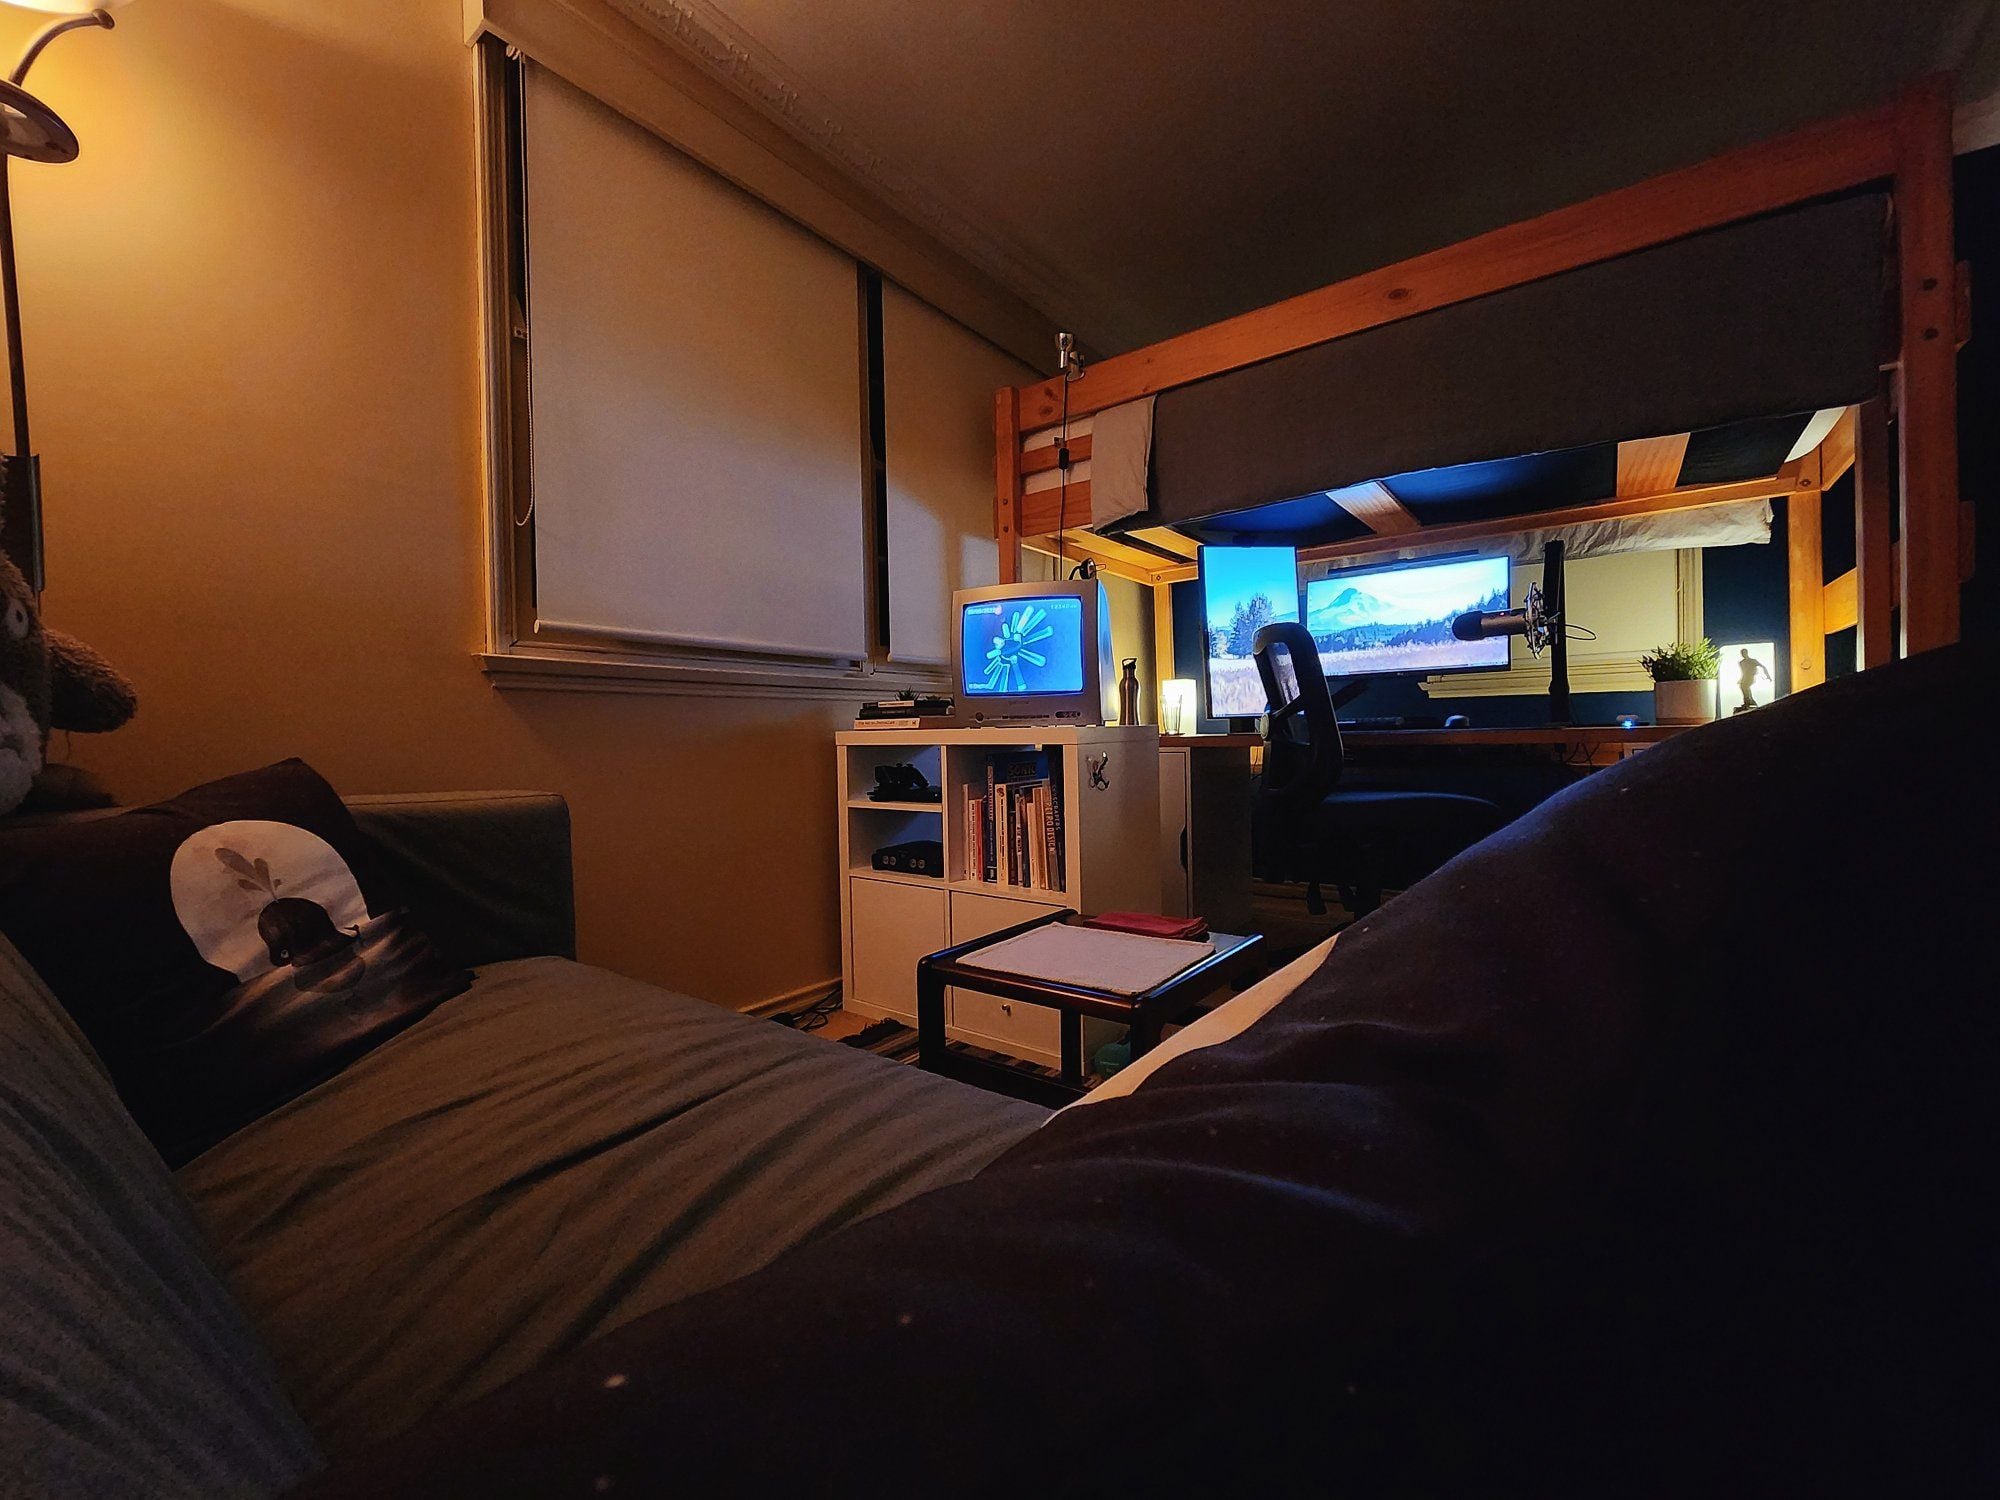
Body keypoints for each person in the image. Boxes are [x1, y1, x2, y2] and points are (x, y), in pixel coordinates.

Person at [1735, 647, 1771, 712]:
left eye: (1744, 653)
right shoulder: (1741, 662)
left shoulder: (1753, 661)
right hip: (1745, 678)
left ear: (1746, 653)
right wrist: (1740, 679)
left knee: (1745, 687)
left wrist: (1768, 676)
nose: (1743, 654)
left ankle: (1749, 702)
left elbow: (1763, 667)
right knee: (1744, 687)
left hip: (1750, 677)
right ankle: (1748, 702)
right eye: (1742, 653)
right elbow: (1743, 672)